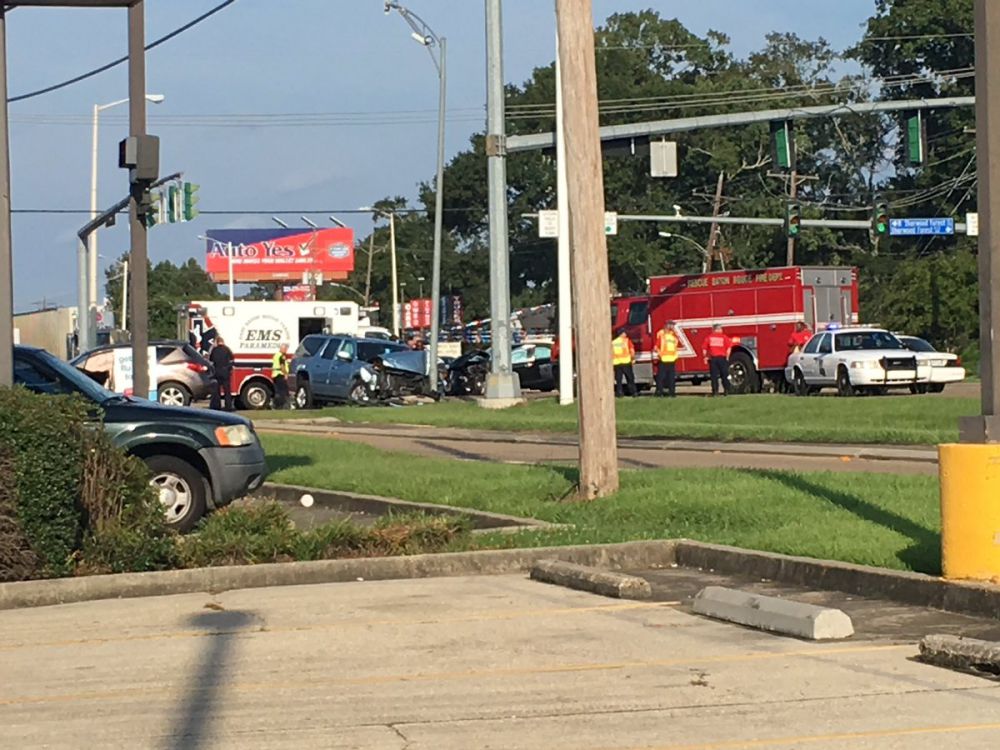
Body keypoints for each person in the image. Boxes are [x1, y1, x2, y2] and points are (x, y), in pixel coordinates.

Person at [702, 323, 735, 397]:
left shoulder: (709, 338)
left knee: (714, 376)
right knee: (724, 375)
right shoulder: (724, 337)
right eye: (720, 329)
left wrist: (705, 357)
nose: (721, 330)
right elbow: (729, 348)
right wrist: (727, 357)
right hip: (722, 358)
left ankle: (715, 392)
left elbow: (704, 349)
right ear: (716, 329)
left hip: (713, 359)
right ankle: (726, 390)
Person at [654, 320, 680, 398]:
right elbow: (656, 347)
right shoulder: (662, 335)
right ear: (667, 325)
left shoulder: (674, 335)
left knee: (671, 378)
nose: (673, 327)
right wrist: (660, 354)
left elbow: (676, 346)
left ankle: (672, 393)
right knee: (661, 377)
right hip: (664, 359)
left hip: (671, 359)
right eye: (671, 325)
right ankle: (660, 392)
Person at [208, 336, 235, 411]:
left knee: (217, 391)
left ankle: (217, 406)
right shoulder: (227, 349)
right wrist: (229, 368)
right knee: (227, 390)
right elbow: (232, 359)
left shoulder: (214, 350)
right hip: (225, 372)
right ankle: (228, 406)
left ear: (217, 342)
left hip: (217, 372)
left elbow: (211, 359)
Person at [611, 328, 636, 397]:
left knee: (618, 380)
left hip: (617, 363)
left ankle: (619, 393)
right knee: (630, 378)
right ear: (621, 334)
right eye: (624, 333)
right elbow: (632, 351)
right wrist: (633, 359)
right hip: (626, 362)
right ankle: (633, 392)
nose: (626, 334)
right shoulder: (626, 341)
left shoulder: (613, 342)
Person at [271, 343, 292, 409]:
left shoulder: (276, 355)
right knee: (284, 391)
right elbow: (282, 366)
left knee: (278, 391)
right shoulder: (281, 356)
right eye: (285, 349)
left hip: (275, 375)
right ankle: (283, 406)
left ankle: (275, 405)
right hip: (280, 374)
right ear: (282, 349)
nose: (286, 351)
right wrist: (285, 374)